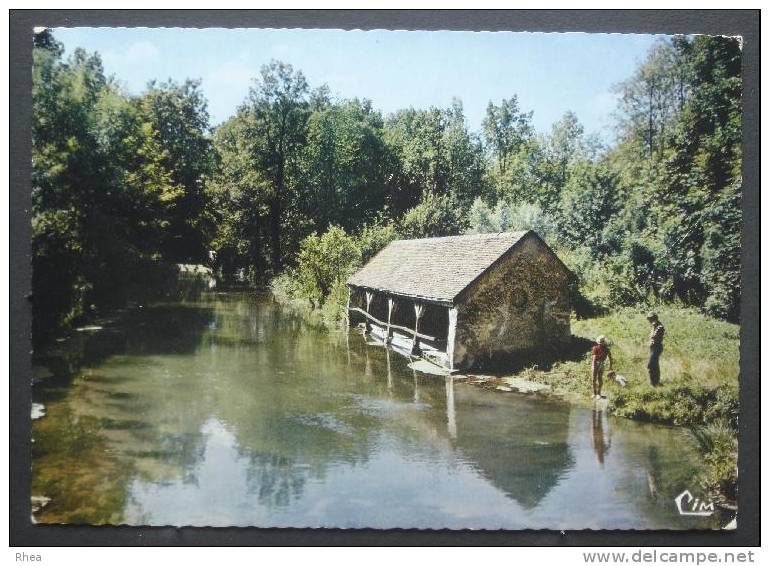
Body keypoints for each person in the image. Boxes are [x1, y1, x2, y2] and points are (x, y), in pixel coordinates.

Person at [591, 335, 613, 399]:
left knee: (597, 379)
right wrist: (610, 366)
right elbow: (594, 358)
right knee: (595, 379)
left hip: (599, 364)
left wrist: (610, 366)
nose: (600, 344)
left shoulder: (605, 349)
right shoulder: (597, 348)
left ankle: (598, 393)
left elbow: (610, 358)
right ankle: (595, 393)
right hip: (598, 363)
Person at [646, 311, 665, 386]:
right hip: (653, 348)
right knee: (653, 365)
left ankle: (655, 382)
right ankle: (654, 382)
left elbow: (654, 336)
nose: (649, 321)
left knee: (651, 365)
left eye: (650, 319)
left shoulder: (659, 327)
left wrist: (653, 328)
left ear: (654, 318)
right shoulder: (654, 326)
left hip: (657, 348)